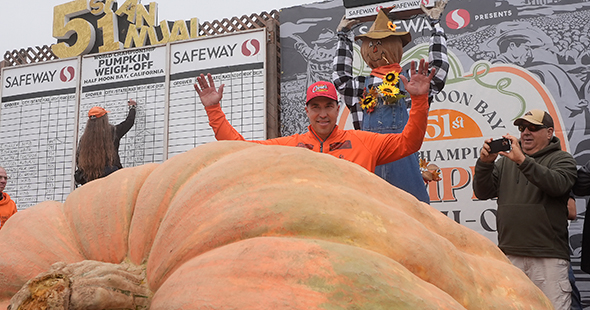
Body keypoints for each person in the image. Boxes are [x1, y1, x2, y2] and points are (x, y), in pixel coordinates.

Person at [193, 58, 435, 173]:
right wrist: (214, 110)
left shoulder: (364, 142)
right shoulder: (290, 146)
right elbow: (241, 149)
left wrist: (419, 100)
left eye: (328, 107)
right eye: (316, 107)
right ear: (306, 111)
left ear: (337, 109)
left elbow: (409, 143)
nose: (322, 114)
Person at [473, 109, 581, 310]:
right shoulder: (505, 161)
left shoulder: (562, 159)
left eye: (532, 128)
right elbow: (482, 191)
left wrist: (522, 161)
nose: (526, 133)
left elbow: (557, 185)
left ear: (550, 133)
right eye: (522, 129)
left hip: (547, 257)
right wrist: (485, 164)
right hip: (510, 257)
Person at [332, 3, 450, 203]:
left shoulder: (411, 79)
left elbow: (437, 71)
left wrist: (435, 26)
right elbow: (340, 76)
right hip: (369, 169)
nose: (375, 48)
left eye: (381, 43)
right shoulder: (360, 86)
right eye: (370, 44)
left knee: (413, 222)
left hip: (405, 166)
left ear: (396, 47)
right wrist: (343, 37)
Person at [75, 99, 137, 185]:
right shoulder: (113, 132)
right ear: (104, 119)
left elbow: (78, 160)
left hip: (90, 179)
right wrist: (132, 108)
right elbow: (129, 122)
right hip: (111, 177)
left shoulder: (84, 139)